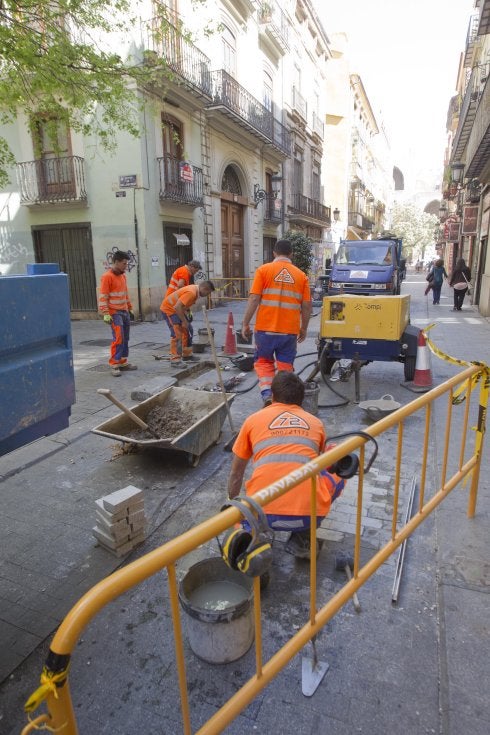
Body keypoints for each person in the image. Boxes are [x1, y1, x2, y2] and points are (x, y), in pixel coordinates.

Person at [227, 371, 346, 559]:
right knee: (337, 462)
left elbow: (236, 473)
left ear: (273, 397)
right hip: (309, 516)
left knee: (241, 521)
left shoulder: (252, 420)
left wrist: (233, 507)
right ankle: (304, 538)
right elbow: (323, 463)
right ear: (301, 400)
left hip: (261, 515)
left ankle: (254, 550)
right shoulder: (316, 423)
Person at [241, 239, 312, 405]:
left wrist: (245, 323)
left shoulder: (263, 270)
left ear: (274, 253)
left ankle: (267, 394)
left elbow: (253, 298)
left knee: (264, 362)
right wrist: (304, 328)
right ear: (291, 254)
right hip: (289, 332)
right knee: (285, 366)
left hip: (265, 330)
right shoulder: (301, 276)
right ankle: (283, 400)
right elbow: (307, 305)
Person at [98, 250, 137, 377]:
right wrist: (106, 313)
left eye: (126, 264)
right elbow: (103, 296)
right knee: (119, 338)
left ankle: (122, 362)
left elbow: (125, 294)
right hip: (114, 312)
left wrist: (130, 308)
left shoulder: (122, 276)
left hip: (124, 311)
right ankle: (114, 364)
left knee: (126, 338)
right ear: (116, 262)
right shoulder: (107, 277)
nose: (126, 266)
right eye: (124, 263)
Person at [161, 281, 215, 365]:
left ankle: (187, 355)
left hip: (177, 310)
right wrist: (184, 321)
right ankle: (175, 359)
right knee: (176, 334)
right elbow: (177, 307)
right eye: (208, 293)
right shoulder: (192, 292)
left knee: (188, 330)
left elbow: (184, 304)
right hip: (169, 310)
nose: (207, 295)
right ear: (204, 289)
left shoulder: (196, 291)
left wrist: (187, 313)